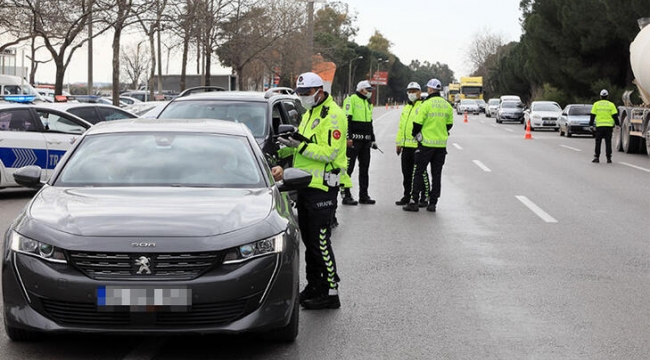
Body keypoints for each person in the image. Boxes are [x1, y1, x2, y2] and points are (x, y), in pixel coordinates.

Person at [277, 72, 347, 310]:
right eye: (300, 94)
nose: (303, 97)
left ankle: (331, 290)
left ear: (319, 90)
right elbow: (302, 147)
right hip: (305, 184)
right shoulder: (311, 113)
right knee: (309, 240)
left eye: (306, 93)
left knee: (320, 241)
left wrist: (302, 145)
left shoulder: (334, 116)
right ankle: (314, 284)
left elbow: (329, 153)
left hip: (323, 187)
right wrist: (287, 147)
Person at [403, 78, 453, 213]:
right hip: (441, 146)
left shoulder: (426, 104)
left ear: (430, 89)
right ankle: (433, 203)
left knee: (418, 172)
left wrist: (417, 135)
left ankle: (414, 201)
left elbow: (417, 123)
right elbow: (449, 124)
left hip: (425, 145)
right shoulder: (447, 105)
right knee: (436, 175)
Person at [341, 80, 377, 205]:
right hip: (354, 141)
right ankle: (346, 195)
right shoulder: (351, 100)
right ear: (361, 90)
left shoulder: (368, 103)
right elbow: (347, 120)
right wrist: (348, 138)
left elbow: (370, 123)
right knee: (348, 169)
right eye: (368, 90)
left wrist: (372, 139)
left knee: (364, 169)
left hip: (365, 141)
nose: (370, 93)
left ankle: (364, 195)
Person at [395, 82, 430, 207]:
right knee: (406, 173)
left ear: (420, 92)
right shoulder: (406, 107)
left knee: (420, 173)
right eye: (409, 91)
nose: (411, 93)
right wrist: (399, 143)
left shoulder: (424, 106)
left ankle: (425, 196)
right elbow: (401, 127)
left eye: (414, 91)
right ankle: (407, 195)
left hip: (418, 146)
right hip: (406, 146)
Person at [589, 89, 620, 163]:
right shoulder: (611, 104)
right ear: (607, 96)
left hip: (599, 126)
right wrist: (617, 124)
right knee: (608, 142)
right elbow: (615, 116)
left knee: (598, 142)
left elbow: (592, 115)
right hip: (608, 126)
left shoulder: (596, 104)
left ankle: (597, 157)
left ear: (600, 96)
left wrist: (590, 125)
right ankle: (608, 158)